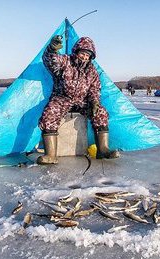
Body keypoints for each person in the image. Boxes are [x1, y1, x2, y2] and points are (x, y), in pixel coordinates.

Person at [37, 35, 120, 165]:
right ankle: (51, 155)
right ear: (77, 51)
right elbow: (50, 60)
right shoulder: (66, 61)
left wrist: (94, 102)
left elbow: (94, 89)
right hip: (62, 98)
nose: (84, 57)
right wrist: (52, 50)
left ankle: (102, 149)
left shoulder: (92, 71)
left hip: (82, 101)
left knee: (101, 112)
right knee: (50, 113)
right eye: (83, 53)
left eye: (88, 55)